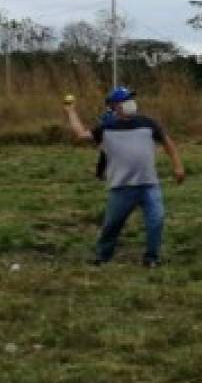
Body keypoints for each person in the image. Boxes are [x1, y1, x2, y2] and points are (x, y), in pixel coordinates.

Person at [65, 86, 185, 267]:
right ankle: (103, 256)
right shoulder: (106, 128)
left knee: (156, 220)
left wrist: (178, 166)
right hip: (122, 187)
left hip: (149, 184)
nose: (130, 102)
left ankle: (151, 258)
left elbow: (168, 144)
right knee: (112, 226)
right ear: (114, 106)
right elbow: (81, 135)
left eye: (130, 98)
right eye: (125, 100)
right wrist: (71, 111)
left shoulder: (148, 123)